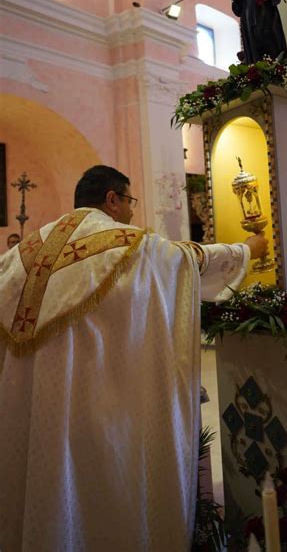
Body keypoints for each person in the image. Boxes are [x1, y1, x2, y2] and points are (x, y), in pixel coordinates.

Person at [0, 165, 267, 551]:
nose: (130, 212)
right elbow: (186, 260)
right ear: (112, 199)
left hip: (30, 411)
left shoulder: (26, 250)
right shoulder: (128, 243)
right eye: (129, 202)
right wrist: (247, 250)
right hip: (88, 413)